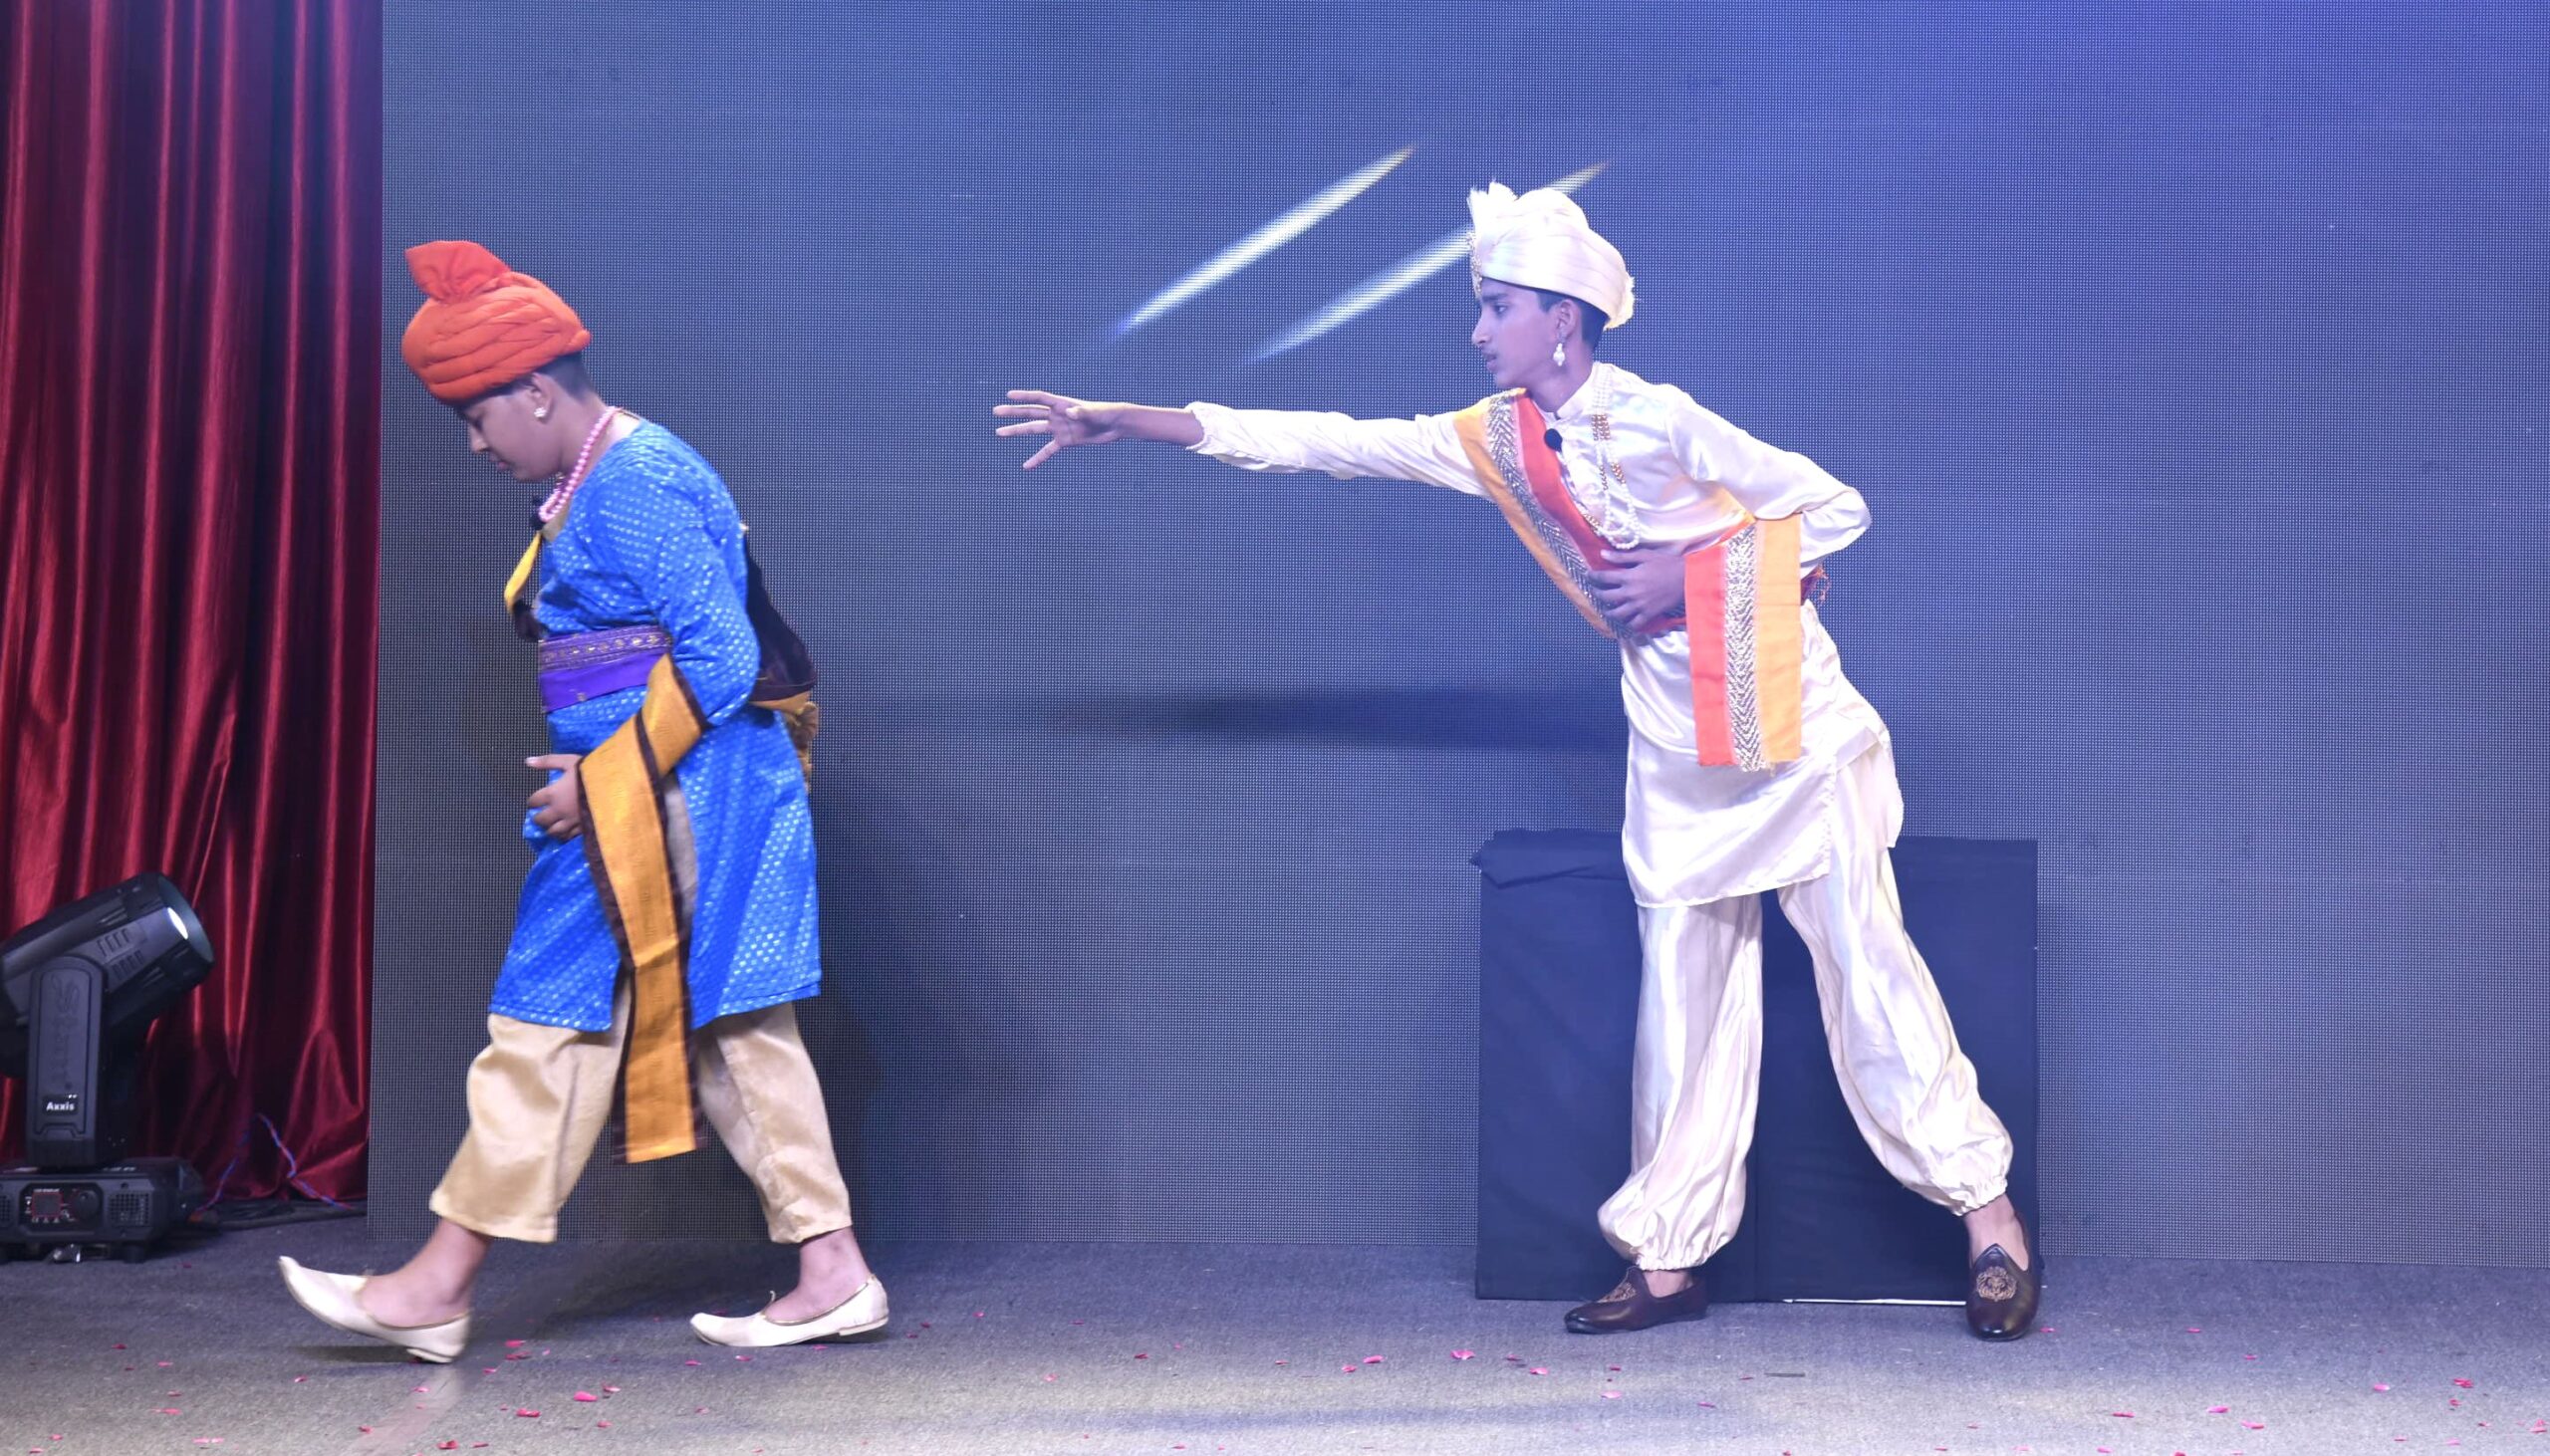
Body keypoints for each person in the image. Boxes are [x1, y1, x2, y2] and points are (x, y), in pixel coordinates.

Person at [992, 184, 2038, 1340]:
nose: (1479, 330)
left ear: (1562, 319)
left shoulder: (1662, 417)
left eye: (1497, 308)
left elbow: (1835, 510)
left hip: (1789, 733)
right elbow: (1336, 442)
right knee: (1682, 1004)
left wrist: (1685, 575)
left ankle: (1989, 1224)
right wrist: (1133, 421)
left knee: (1866, 968)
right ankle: (1669, 1255)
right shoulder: (1496, 441)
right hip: (1674, 749)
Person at [279, 241, 882, 1360]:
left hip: (677, 790)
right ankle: (831, 1269)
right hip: (654, 787)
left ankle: (438, 1285)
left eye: (476, 418)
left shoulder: (638, 477)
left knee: (575, 1015)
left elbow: (718, 655)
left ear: (537, 393)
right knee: (706, 1020)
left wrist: (604, 781)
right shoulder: (600, 474)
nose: (475, 444)